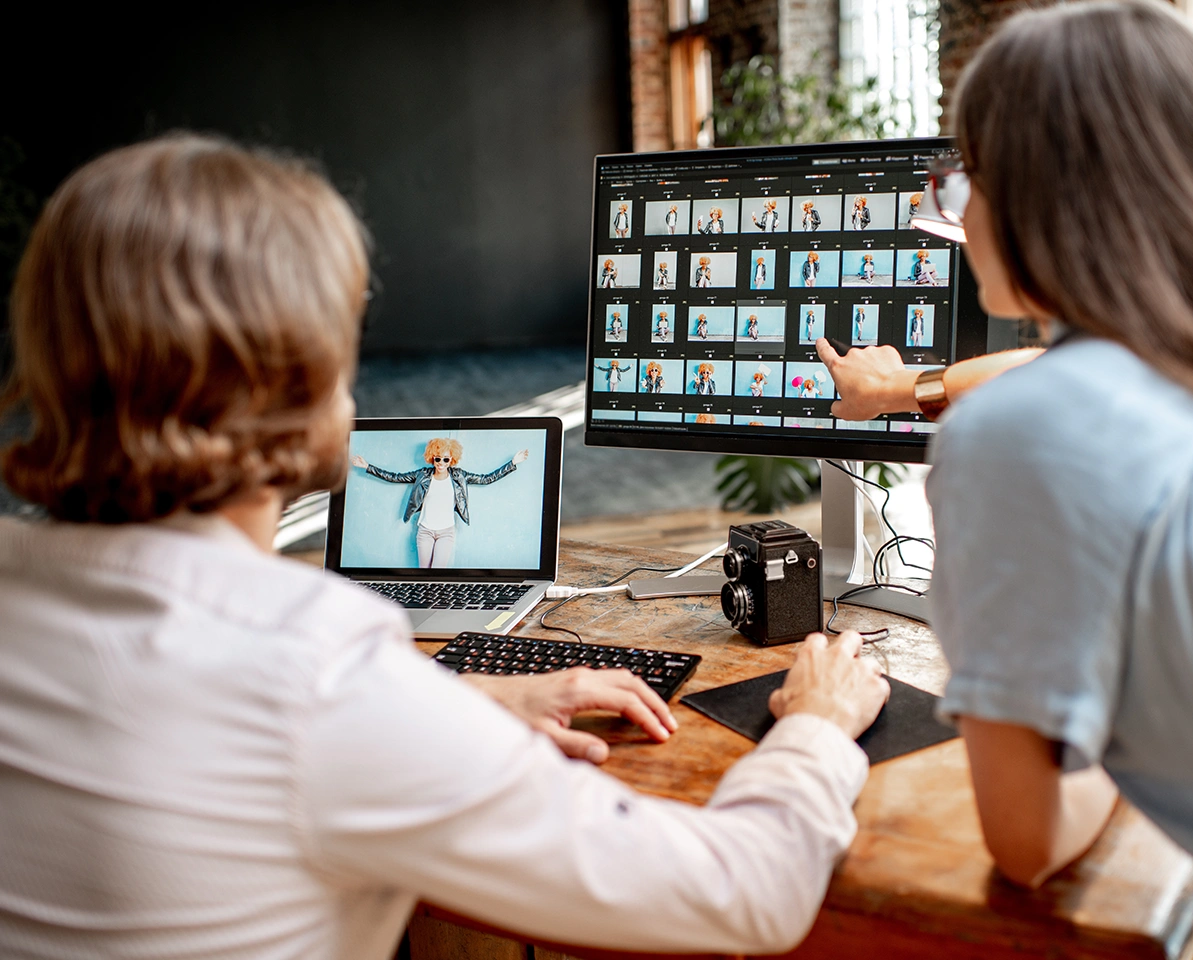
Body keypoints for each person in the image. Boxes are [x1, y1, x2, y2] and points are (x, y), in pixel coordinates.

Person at [0, 135, 890, 959]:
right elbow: (739, 894)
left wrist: (458, 699)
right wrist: (815, 723)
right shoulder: (318, 669)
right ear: (301, 382)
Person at [817, 0, 1193, 945]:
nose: (960, 209)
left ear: (1041, 196)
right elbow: (1090, 368)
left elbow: (1028, 839)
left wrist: (1082, 704)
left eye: (966, 178)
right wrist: (915, 386)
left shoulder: (1019, 439)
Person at [350, 439, 527, 568]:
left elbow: (486, 479)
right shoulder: (422, 475)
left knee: (436, 574)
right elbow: (395, 477)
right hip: (424, 531)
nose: (441, 463)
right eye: (437, 459)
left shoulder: (459, 476)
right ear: (432, 458)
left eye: (446, 459)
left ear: (452, 460)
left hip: (446, 532)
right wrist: (368, 467)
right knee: (424, 575)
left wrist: (512, 464)